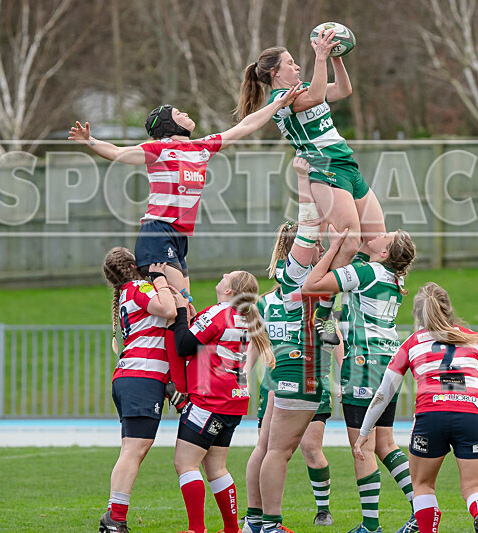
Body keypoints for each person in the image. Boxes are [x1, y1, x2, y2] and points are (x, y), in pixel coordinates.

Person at [352, 282, 478, 533]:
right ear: (449, 309)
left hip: (431, 415)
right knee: (476, 488)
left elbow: (383, 393)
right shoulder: (470, 338)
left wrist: (364, 433)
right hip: (472, 414)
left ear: (418, 315)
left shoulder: (411, 343)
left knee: (423, 485)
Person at [68, 84, 304, 304]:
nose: (186, 115)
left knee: (184, 306)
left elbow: (245, 127)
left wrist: (277, 105)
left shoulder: (201, 148)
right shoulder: (158, 149)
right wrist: (90, 140)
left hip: (179, 237)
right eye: (179, 113)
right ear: (168, 125)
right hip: (157, 232)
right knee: (180, 306)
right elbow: (118, 153)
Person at [236, 30, 386, 343]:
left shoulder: (302, 87)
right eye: (291, 63)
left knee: (377, 243)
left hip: (347, 164)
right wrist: (319, 56)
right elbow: (317, 97)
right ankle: (324, 311)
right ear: (275, 73)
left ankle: (363, 311)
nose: (297, 67)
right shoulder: (281, 100)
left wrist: (337, 56)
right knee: (348, 240)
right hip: (323, 168)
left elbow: (343, 90)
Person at [303, 228, 418, 533]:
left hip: (364, 367)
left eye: (386, 235)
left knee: (362, 447)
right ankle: (422, 510)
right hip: (390, 365)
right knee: (385, 445)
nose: (378, 232)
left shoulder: (365, 272)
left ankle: (370, 526)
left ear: (384, 253)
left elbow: (311, 285)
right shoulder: (392, 275)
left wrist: (334, 248)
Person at [245, 158, 331, 533]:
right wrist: (304, 178)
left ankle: (253, 520)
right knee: (278, 452)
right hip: (297, 373)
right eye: (311, 246)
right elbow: (312, 221)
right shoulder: (300, 277)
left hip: (290, 374)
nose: (316, 247)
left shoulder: (292, 282)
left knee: (266, 448)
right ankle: (270, 523)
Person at [168, 269, 274, 533]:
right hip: (233, 402)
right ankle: (231, 529)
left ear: (230, 291)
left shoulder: (219, 312)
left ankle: (196, 529)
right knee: (216, 467)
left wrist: (181, 313)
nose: (224, 274)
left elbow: (184, 345)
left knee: (185, 463)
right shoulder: (246, 317)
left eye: (229, 275)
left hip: (209, 400)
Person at [99, 247, 177, 533]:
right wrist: (158, 278)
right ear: (133, 265)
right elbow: (168, 309)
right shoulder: (139, 286)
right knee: (134, 449)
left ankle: (113, 515)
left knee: (132, 449)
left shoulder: (128, 291)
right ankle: (115, 518)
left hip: (133, 376)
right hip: (141, 376)